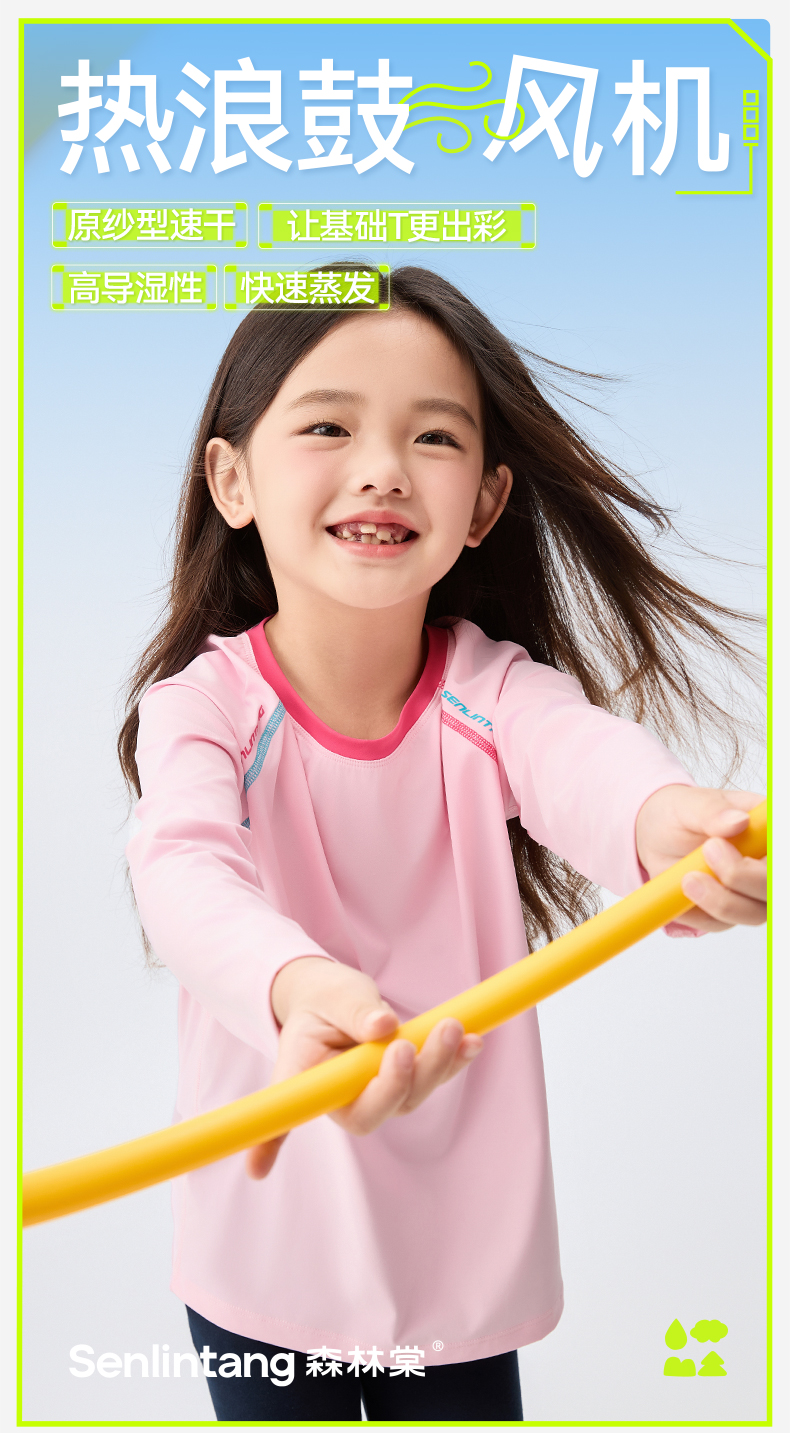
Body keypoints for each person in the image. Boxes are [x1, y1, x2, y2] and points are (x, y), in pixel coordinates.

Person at [120, 266, 766, 1421]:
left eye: (432, 436)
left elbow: (585, 761)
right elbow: (181, 867)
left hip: (456, 1259)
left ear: (482, 502)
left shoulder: (495, 694)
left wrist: (665, 823)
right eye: (328, 426)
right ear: (231, 479)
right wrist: (298, 986)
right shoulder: (201, 709)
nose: (382, 467)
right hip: (268, 1245)